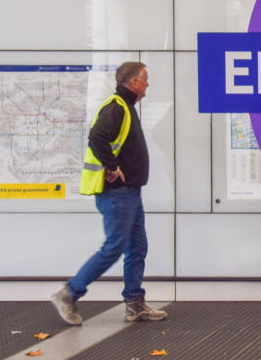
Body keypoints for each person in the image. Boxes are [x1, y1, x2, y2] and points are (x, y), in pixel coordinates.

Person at [50, 62, 167, 324]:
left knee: (137, 248)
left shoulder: (126, 108)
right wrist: (112, 166)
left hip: (129, 193)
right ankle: (69, 293)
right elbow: (96, 138)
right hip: (117, 194)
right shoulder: (116, 107)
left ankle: (134, 304)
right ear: (134, 83)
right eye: (145, 79)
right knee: (114, 247)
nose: (147, 84)